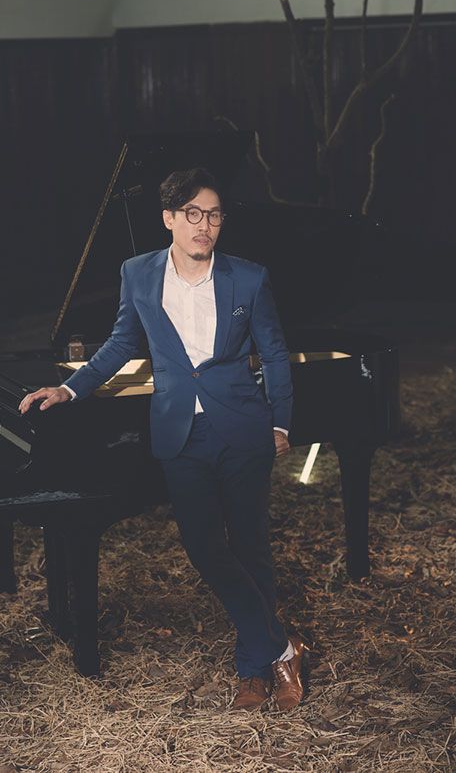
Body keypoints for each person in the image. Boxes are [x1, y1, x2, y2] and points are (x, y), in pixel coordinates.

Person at [19, 168, 308, 711]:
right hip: (179, 432)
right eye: (192, 214)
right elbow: (120, 342)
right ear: (169, 218)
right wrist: (70, 388)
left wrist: (281, 424)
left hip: (243, 430)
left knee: (250, 547)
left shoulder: (249, 278)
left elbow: (273, 353)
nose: (204, 225)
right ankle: (280, 648)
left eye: (213, 215)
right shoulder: (137, 273)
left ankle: (253, 670)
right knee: (204, 548)